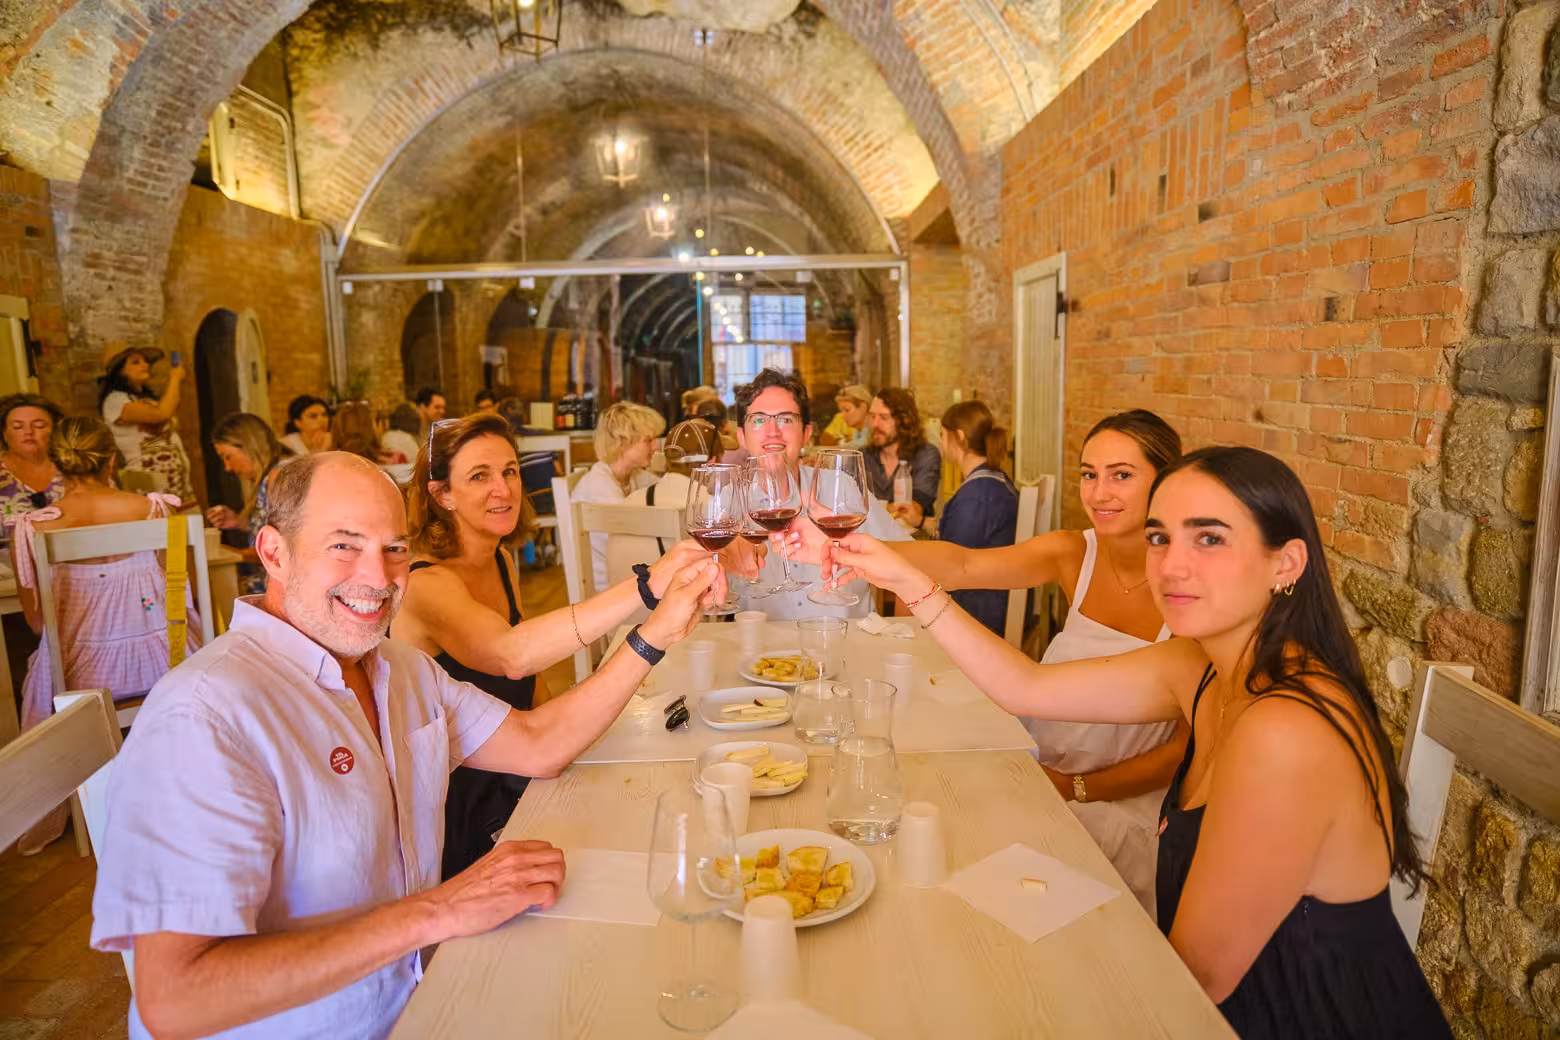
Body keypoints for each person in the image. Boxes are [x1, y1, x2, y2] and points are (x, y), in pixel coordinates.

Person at [90, 451, 718, 1039]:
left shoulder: (400, 669)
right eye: (344, 546)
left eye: (393, 548)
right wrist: (439, 910)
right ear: (273, 553)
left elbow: (538, 744)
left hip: (427, 998)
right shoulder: (205, 714)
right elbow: (175, 996)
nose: (378, 576)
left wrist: (657, 631)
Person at [830, 446, 1452, 1038]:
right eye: (1161, 537)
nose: (1172, 565)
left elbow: (1193, 982)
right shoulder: (1199, 665)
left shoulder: (1285, 731)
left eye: (1209, 538)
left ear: (1285, 563)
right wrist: (903, 579)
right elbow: (1027, 687)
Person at [826, 409, 1188, 915]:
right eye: (1089, 474)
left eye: (1121, 475)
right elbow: (963, 564)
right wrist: (848, 548)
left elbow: (1180, 753)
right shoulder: (1074, 553)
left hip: (1114, 806)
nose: (1099, 493)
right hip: (1034, 766)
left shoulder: (1189, 588)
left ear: (1166, 482)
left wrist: (1077, 789)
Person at [395, 414, 714, 876]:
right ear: (442, 494)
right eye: (479, 476)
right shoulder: (425, 586)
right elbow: (511, 654)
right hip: (466, 808)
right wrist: (648, 588)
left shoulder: (501, 559)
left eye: (509, 471)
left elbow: (530, 678)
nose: (503, 489)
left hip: (527, 767)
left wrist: (572, 750)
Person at [10, 416, 204, 854]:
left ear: (58, 463)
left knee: (39, 663)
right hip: (166, 661)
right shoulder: (155, 508)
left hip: (79, 675)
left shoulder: (34, 527)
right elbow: (181, 597)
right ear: (112, 458)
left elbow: (39, 624)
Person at [732, 368, 909, 620]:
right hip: (763, 653)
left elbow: (911, 562)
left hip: (851, 646)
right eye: (759, 420)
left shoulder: (842, 486)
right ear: (742, 436)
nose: (772, 431)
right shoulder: (727, 502)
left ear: (806, 433)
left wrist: (855, 553)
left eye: (785, 419)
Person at [932, 400, 1017, 636]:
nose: (940, 443)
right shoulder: (995, 480)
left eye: (942, 435)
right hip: (991, 599)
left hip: (980, 614)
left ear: (958, 437)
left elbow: (950, 563)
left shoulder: (977, 496)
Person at [572, 401, 664, 592]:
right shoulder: (599, 488)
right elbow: (634, 545)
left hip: (629, 575)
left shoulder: (634, 476)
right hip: (611, 590)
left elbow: (666, 489)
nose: (656, 446)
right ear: (623, 443)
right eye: (649, 440)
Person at [205, 413, 293, 596]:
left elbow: (287, 546)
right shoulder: (274, 474)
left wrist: (234, 554)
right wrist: (239, 522)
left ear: (248, 446)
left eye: (227, 456)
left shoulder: (278, 477)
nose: (227, 467)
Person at [99, 343, 194, 505]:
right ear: (119, 370)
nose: (145, 365)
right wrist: (175, 378)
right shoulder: (115, 401)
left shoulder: (146, 399)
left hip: (177, 486)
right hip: (149, 486)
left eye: (145, 361)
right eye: (135, 362)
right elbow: (162, 415)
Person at [864, 387, 940, 530]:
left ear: (905, 420)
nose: (875, 424)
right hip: (870, 539)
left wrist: (873, 509)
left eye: (884, 417)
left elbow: (913, 509)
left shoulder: (926, 454)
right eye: (872, 416)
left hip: (912, 542)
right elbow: (848, 506)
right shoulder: (863, 456)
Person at [0, 393, 64, 519]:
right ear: (4, 434)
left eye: (39, 426)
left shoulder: (76, 466)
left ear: (55, 430)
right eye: (18, 427)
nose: (28, 432)